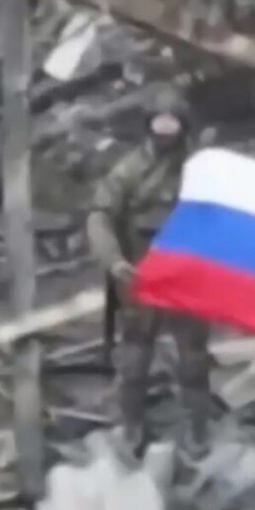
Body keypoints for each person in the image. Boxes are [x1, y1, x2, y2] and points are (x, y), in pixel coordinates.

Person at [85, 92, 211, 461]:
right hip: (141, 276)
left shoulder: (198, 171)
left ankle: (198, 427)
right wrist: (114, 260)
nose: (166, 133)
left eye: (173, 126)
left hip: (187, 276)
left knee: (193, 360)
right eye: (160, 124)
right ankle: (132, 426)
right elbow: (99, 216)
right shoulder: (128, 172)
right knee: (135, 358)